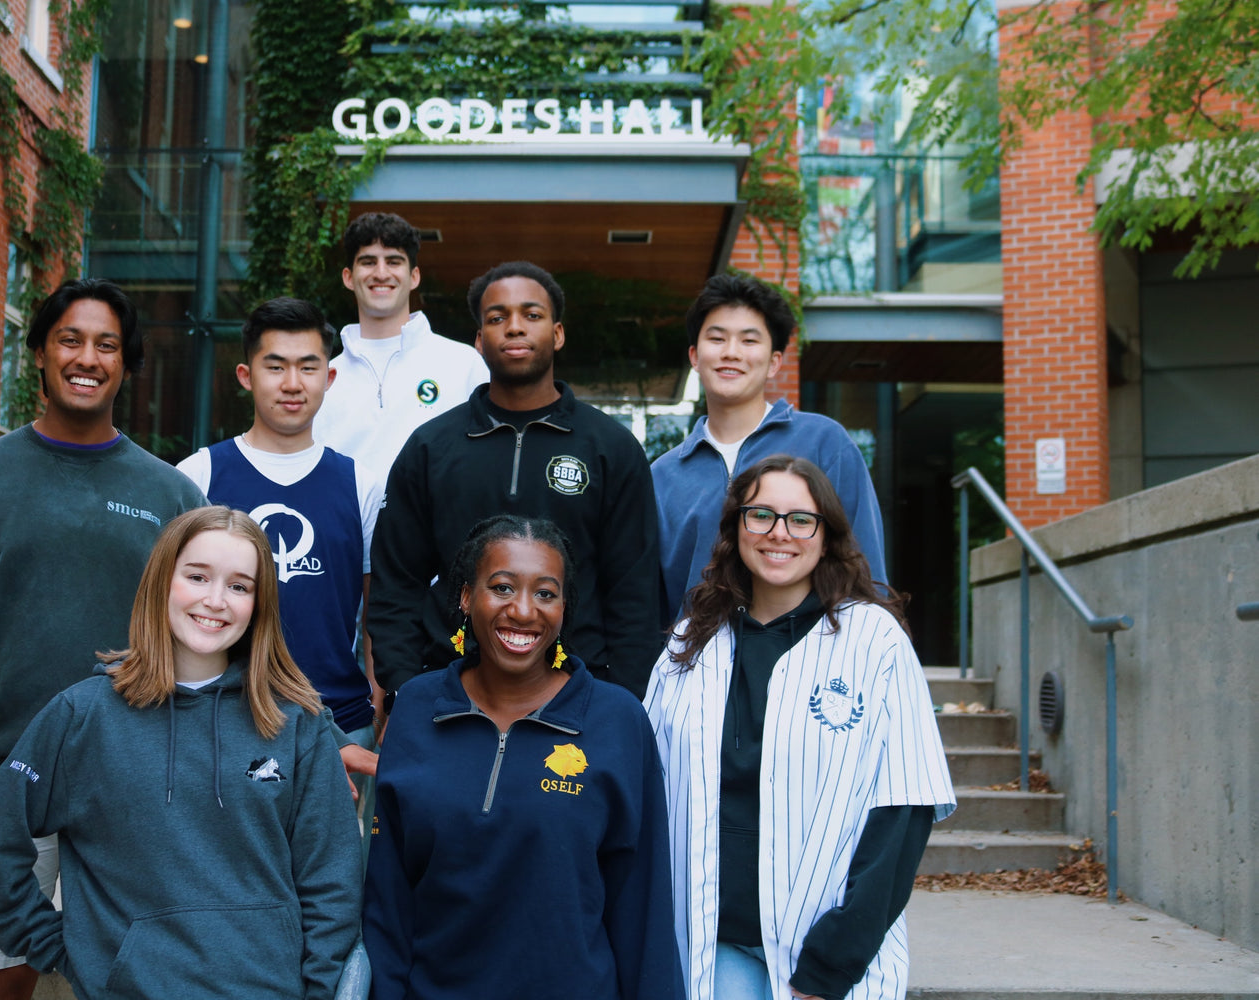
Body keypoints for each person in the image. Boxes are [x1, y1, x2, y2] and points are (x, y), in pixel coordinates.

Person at [0, 278, 208, 999]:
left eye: (106, 345)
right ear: (39, 352)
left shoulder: (172, 497)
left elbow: (205, 642)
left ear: (126, 364)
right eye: (70, 339)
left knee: (144, 978)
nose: (87, 358)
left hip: (134, 780)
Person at [0, 507, 361, 1000]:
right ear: (162, 580)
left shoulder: (295, 722)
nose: (216, 600)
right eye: (197, 576)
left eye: (239, 586)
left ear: (259, 604)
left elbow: (331, 883)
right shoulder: (83, 715)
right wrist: (59, 948)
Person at [643, 455, 955, 1000]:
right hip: (710, 942)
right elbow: (650, 793)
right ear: (736, 528)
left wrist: (835, 961)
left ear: (827, 534)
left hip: (827, 950)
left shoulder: (872, 642)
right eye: (760, 515)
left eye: (800, 519)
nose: (779, 534)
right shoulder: (688, 645)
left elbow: (904, 810)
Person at [364, 515, 682, 1000]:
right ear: (466, 597)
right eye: (503, 587)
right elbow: (387, 898)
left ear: (564, 607)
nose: (524, 610)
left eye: (546, 593)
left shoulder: (617, 721)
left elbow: (643, 905)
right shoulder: (416, 708)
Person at [368, 261, 663, 705]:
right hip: (448, 697)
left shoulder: (611, 449)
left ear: (558, 333)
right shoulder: (431, 447)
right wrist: (406, 690)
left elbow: (635, 593)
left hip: (580, 697)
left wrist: (620, 703)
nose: (514, 327)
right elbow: (396, 585)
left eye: (531, 314)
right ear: (479, 340)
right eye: (497, 317)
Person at [177, 297, 385, 791]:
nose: (293, 383)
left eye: (308, 367)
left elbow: (377, 611)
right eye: (276, 366)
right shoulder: (198, 475)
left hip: (340, 723)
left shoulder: (362, 485)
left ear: (329, 378)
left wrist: (379, 701)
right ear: (247, 376)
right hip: (220, 717)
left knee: (331, 868)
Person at [652, 273, 886, 625]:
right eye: (717, 338)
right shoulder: (662, 476)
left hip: (814, 661)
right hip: (699, 665)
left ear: (774, 361)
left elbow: (863, 561)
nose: (731, 353)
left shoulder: (825, 442)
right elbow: (655, 596)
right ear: (694, 356)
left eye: (749, 340)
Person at [312, 211, 488, 478]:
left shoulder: (464, 364)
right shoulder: (321, 378)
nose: (381, 273)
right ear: (348, 277)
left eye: (393, 261)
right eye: (368, 262)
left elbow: (487, 459)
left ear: (414, 277)